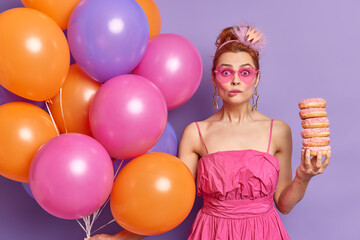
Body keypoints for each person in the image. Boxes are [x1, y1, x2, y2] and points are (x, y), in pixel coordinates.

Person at [88, 24, 331, 240]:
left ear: (256, 79)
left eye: (245, 72)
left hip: (264, 232)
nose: (235, 81)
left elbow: (284, 205)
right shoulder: (196, 133)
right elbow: (173, 200)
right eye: (226, 72)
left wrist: (304, 176)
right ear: (215, 79)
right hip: (211, 232)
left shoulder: (278, 131)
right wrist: (120, 238)